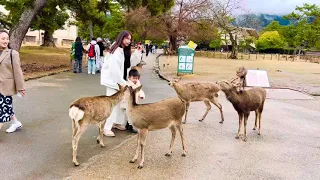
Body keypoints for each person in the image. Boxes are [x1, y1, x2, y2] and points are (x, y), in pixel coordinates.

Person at [100, 30, 142, 137]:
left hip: (120, 82)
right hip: (114, 82)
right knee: (111, 105)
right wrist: (123, 83)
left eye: (130, 39)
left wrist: (137, 52)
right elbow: (114, 71)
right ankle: (106, 128)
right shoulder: (115, 51)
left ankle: (116, 123)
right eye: (127, 38)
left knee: (119, 104)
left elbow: (130, 63)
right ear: (121, 38)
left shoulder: (122, 51)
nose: (129, 41)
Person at [0, 30, 26, 133]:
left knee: (3, 111)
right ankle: (15, 123)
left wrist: (21, 88)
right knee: (6, 108)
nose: (5, 41)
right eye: (3, 39)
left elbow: (18, 72)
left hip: (5, 87)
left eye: (7, 38)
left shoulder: (12, 54)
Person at [120, 69, 145, 133]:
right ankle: (130, 126)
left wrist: (141, 95)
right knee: (129, 114)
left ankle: (129, 125)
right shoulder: (127, 85)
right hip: (128, 102)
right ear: (129, 78)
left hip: (134, 102)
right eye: (133, 78)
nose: (135, 80)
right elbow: (124, 93)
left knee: (132, 114)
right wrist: (123, 100)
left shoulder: (137, 83)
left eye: (136, 78)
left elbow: (139, 90)